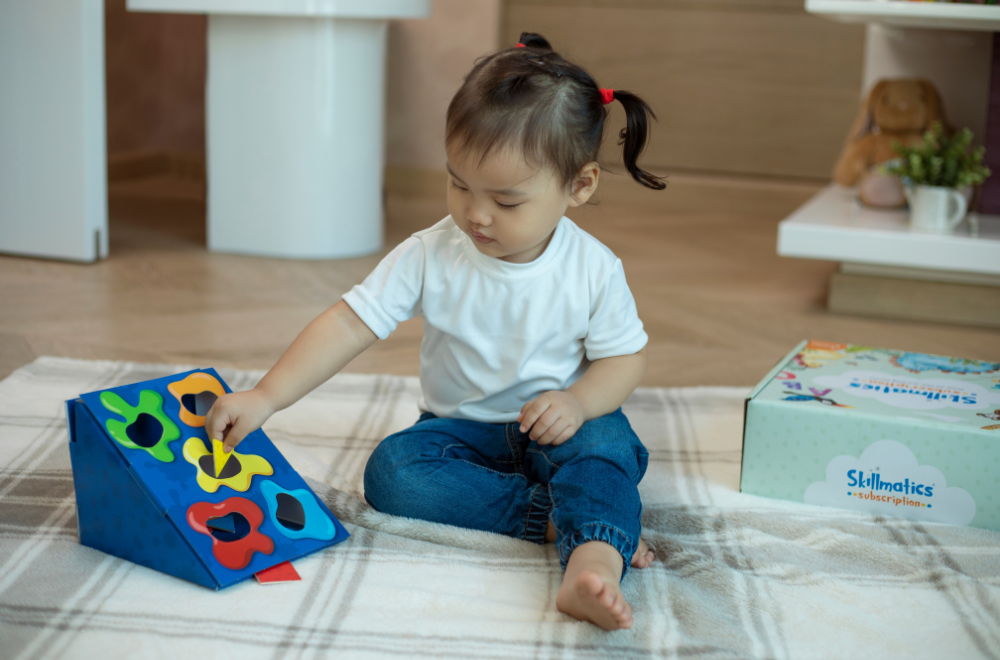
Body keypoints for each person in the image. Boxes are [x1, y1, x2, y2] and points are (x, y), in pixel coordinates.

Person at [206, 32, 666, 631]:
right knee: (393, 473)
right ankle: (565, 520)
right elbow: (349, 323)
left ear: (579, 186)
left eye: (505, 201)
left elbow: (624, 362)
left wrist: (579, 403)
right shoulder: (430, 254)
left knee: (605, 447)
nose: (475, 214)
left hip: (564, 427)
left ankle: (594, 566)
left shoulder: (593, 268)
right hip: (458, 434)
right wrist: (265, 396)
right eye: (459, 184)